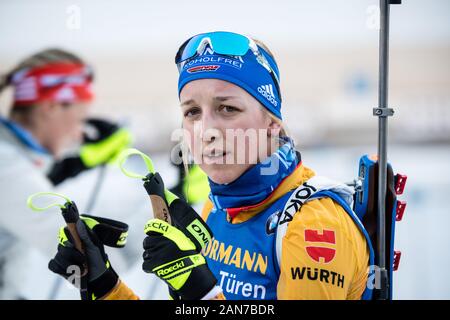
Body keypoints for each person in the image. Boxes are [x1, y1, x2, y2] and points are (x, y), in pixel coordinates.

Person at [48, 32, 374, 300]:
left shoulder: (313, 225)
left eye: (228, 108)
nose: (207, 131)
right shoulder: (218, 207)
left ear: (272, 124)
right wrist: (105, 286)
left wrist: (200, 293)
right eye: (192, 112)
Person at [0, 48, 139, 299]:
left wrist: (79, 162)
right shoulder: (7, 165)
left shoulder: (9, 157)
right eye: (79, 119)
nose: (78, 134)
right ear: (52, 106)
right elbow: (91, 258)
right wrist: (170, 201)